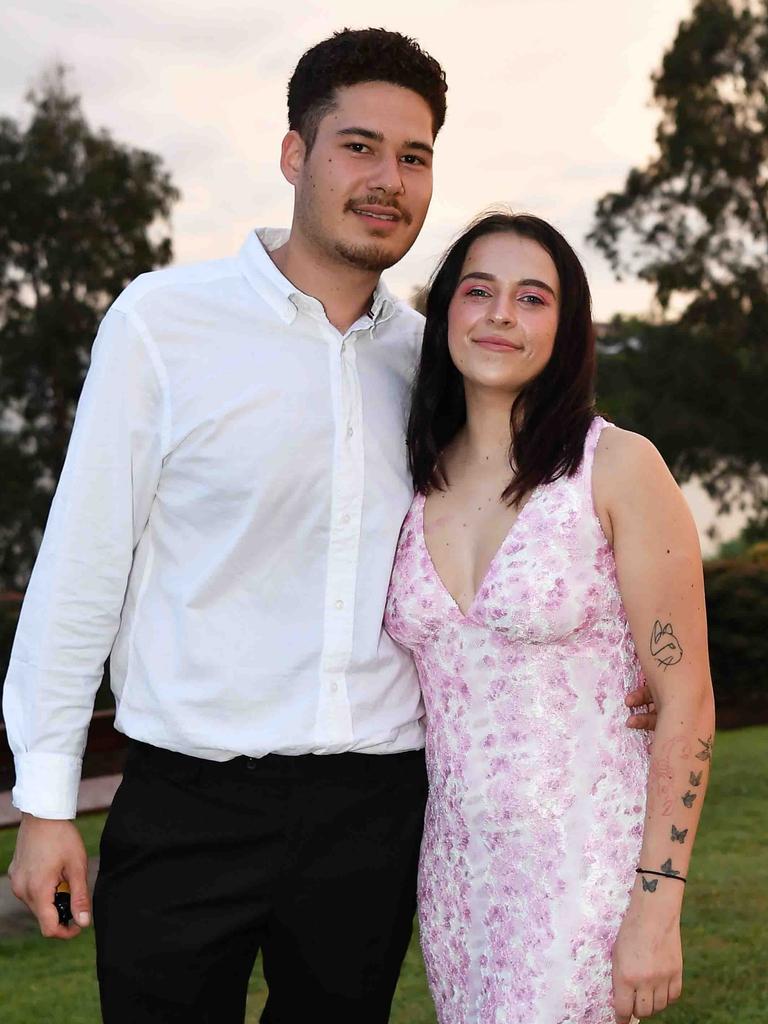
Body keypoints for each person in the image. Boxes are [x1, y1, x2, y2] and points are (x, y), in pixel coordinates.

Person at [3, 30, 655, 1024]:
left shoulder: (436, 362)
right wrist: (46, 800)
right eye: (358, 146)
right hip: (189, 799)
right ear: (293, 155)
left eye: (415, 154)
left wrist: (632, 668)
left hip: (377, 812)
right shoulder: (161, 326)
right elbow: (81, 568)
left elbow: (515, 536)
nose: (387, 178)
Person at [384, 211, 716, 1024]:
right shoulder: (408, 476)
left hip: (585, 872)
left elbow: (687, 699)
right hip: (458, 879)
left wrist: (657, 903)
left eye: (532, 298)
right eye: (478, 291)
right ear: (444, 314)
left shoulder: (618, 466)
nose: (501, 313)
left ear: (565, 331)